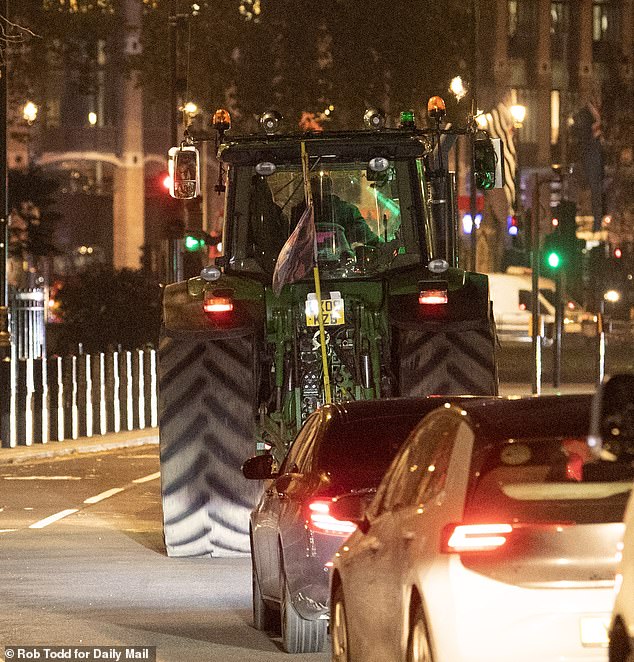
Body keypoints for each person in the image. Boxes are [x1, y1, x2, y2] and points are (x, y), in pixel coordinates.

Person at [292, 173, 382, 249]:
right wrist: (382, 245)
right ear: (331, 189)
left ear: (309, 190)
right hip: (341, 264)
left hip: (303, 266)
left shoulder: (299, 212)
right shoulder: (348, 210)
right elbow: (365, 235)